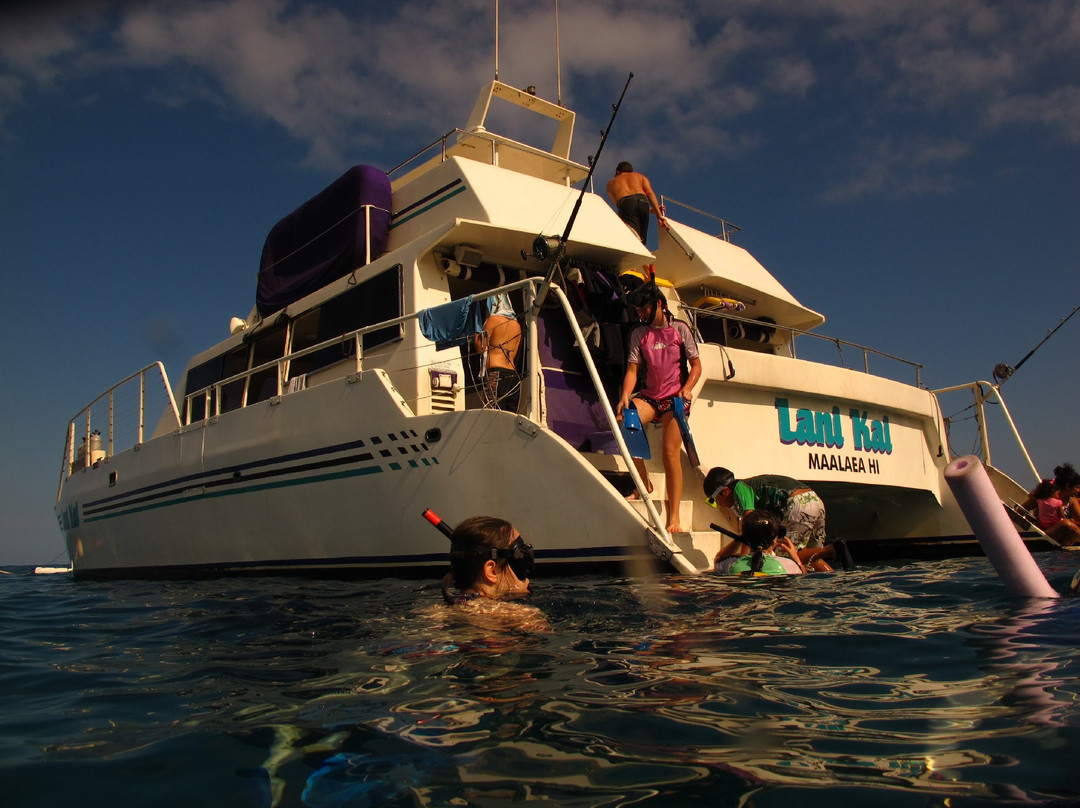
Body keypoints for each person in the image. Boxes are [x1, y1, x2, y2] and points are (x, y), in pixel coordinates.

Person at [617, 282, 702, 532]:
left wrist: (687, 389)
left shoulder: (680, 329)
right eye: (638, 311)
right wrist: (624, 395)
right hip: (651, 396)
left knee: (669, 453)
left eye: (644, 309)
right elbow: (633, 370)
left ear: (660, 305)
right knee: (626, 422)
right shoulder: (638, 334)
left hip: (674, 398)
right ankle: (644, 484)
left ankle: (673, 517)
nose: (640, 314)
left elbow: (696, 366)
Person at [704, 467, 837, 571]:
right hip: (814, 499)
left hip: (798, 503)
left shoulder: (740, 490)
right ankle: (835, 583)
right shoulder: (752, 488)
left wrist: (745, 561)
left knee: (786, 555)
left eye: (715, 500)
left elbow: (750, 527)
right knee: (811, 557)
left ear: (725, 491)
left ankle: (830, 550)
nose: (719, 505)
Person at [441, 515, 534, 604]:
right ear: (492, 571)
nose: (527, 578)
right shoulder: (517, 614)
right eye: (521, 560)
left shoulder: (442, 609)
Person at [713, 510, 805, 575]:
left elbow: (719, 558)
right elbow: (803, 576)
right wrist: (797, 560)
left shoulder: (731, 565)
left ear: (746, 539)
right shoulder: (787, 565)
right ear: (774, 541)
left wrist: (740, 538)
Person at [474, 292, 522, 411]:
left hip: (496, 373)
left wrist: (476, 334)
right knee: (509, 416)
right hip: (513, 374)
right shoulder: (516, 325)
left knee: (492, 413)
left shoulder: (493, 320)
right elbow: (513, 353)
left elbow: (481, 348)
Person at [606, 161, 668, 244]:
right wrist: (658, 214)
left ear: (617, 172)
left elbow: (622, 205)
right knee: (642, 237)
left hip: (625, 202)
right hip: (643, 201)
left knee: (633, 235)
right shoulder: (640, 177)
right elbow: (650, 194)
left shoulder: (611, 183)